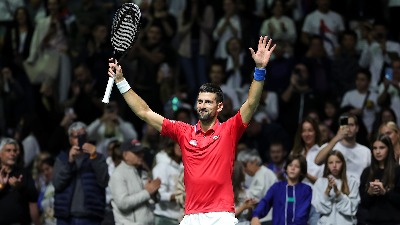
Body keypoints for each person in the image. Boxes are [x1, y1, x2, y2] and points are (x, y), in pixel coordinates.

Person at [108, 36, 276, 225]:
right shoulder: (183, 132)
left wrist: (260, 69)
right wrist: (121, 81)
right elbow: (144, 112)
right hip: (191, 216)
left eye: (208, 102)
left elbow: (252, 103)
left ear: (219, 107)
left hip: (221, 215)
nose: (202, 105)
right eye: (200, 101)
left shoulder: (230, 129)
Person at [53, 122, 109, 225]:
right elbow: (57, 184)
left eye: (82, 135)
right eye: (76, 136)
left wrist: (94, 157)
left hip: (90, 216)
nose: (79, 139)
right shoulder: (62, 158)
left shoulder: (98, 157)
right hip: (65, 217)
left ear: (87, 137)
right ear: (70, 139)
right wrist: (70, 162)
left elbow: (104, 181)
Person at [109, 139, 161, 225]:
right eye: (136, 153)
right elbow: (123, 203)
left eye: (141, 152)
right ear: (125, 155)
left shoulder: (143, 172)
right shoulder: (118, 174)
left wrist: (154, 193)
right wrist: (147, 192)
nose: (141, 155)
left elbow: (153, 201)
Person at [250, 154, 312, 225]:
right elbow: (265, 202)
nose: (292, 168)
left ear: (302, 171)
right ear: (286, 168)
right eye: (290, 165)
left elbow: (302, 212)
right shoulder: (277, 187)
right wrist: (255, 215)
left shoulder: (306, 189)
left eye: (297, 166)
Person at [315, 113, 371, 180]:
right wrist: (337, 137)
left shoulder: (366, 151)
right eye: (345, 125)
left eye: (351, 125)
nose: (348, 128)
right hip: (334, 188)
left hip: (357, 188)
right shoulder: (330, 146)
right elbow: (318, 161)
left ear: (357, 128)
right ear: (340, 128)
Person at [359, 134, 400, 224]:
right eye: (375, 148)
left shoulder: (397, 171)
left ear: (389, 149)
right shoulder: (367, 172)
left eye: (382, 148)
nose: (377, 152)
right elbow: (363, 203)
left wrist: (384, 192)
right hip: (371, 221)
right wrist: (369, 193)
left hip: (393, 221)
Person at [0, 137, 41, 225]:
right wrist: (1, 186)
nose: (12, 154)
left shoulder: (24, 173)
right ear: (0, 154)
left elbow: (33, 198)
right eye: (8, 150)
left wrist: (20, 187)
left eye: (14, 151)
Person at [312, 150, 360, 225]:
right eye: (331, 163)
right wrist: (327, 191)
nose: (334, 165)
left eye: (338, 162)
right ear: (327, 165)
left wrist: (338, 194)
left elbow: (353, 209)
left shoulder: (351, 182)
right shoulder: (320, 182)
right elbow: (320, 209)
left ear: (343, 163)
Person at [237, 149, 277, 224]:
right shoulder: (254, 175)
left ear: (254, 161)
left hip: (266, 218)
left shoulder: (265, 173)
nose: (244, 169)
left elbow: (255, 197)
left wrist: (238, 191)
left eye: (245, 165)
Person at [152, 140, 183, 225]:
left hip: (179, 217)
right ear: (172, 145)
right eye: (179, 144)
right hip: (164, 218)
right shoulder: (163, 166)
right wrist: (181, 196)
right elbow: (159, 195)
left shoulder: (182, 166)